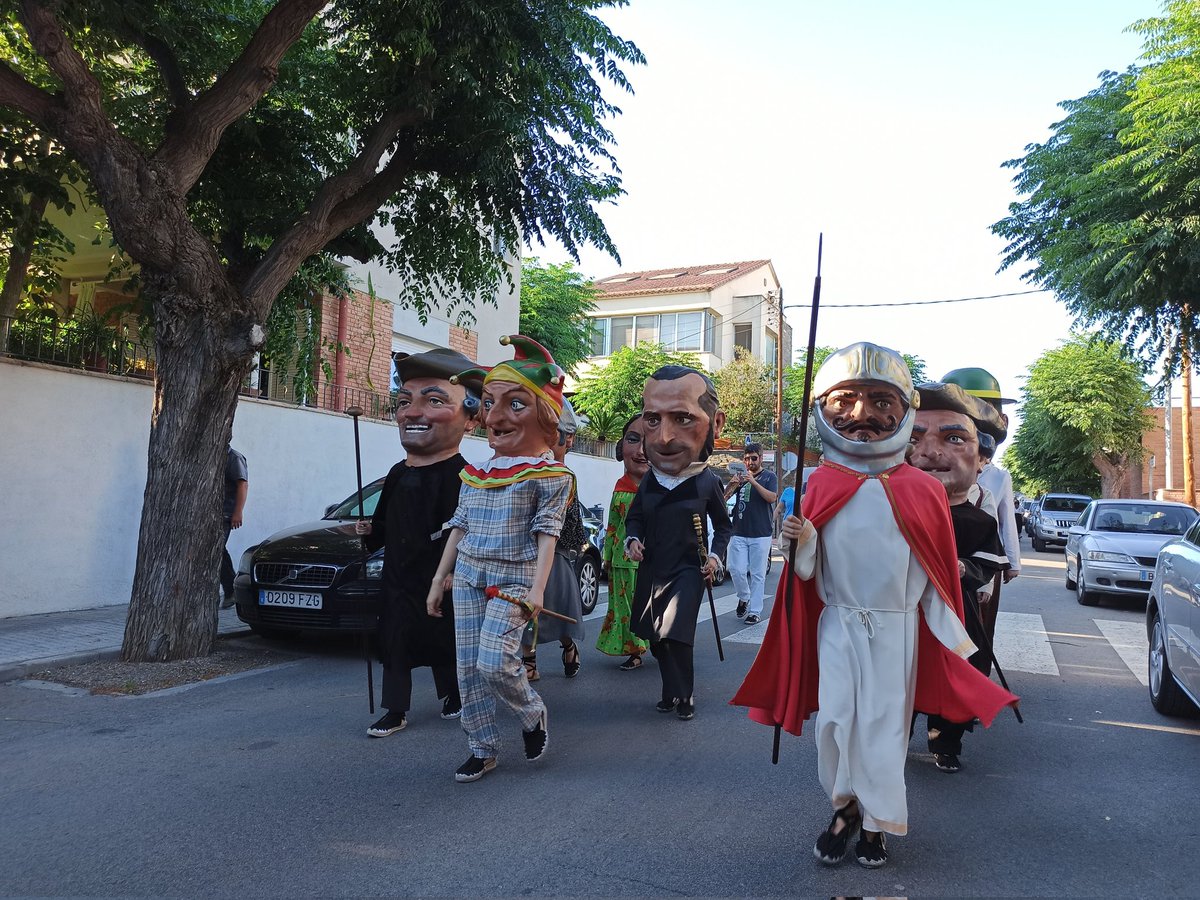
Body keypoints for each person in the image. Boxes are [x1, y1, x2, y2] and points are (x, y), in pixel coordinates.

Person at [732, 342, 1018, 870]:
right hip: (838, 626)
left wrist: (953, 640)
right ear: (823, 408)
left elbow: (933, 573)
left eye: (880, 401)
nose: (862, 414)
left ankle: (874, 824)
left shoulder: (923, 491)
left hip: (896, 633)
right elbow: (807, 575)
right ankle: (844, 806)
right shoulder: (819, 483)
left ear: (902, 408)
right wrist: (800, 539)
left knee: (884, 731)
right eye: (845, 400)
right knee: (836, 723)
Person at [427, 335, 574, 783]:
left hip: (513, 581)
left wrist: (537, 590)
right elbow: (460, 526)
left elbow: (548, 534)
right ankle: (482, 747)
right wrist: (439, 579)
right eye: (489, 403)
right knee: (468, 668)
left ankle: (531, 713)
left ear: (544, 415)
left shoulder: (551, 475)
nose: (494, 417)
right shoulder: (477, 473)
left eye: (515, 404)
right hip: (469, 575)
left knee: (494, 661)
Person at [359, 347, 481, 738]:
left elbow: (468, 531)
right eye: (404, 402)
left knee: (443, 638)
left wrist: (455, 572)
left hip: (440, 578)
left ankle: (454, 694)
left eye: (434, 401)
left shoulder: (464, 477)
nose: (412, 413)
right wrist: (367, 532)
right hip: (398, 578)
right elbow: (382, 524)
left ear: (471, 419)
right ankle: (394, 709)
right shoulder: (397, 473)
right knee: (395, 640)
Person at [908, 381, 1011, 773]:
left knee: (954, 673)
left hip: (955, 613)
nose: (931, 452)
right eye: (914, 438)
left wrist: (966, 569)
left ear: (980, 459)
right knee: (897, 675)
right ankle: (891, 736)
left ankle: (945, 741)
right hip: (900, 611)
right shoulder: (889, 509)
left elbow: (988, 560)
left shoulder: (978, 518)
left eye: (953, 439)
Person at [625, 366, 733, 721]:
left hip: (688, 570)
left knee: (676, 634)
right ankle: (668, 691)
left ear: (715, 424)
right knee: (656, 638)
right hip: (653, 568)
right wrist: (633, 539)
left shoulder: (706, 482)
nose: (664, 437)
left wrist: (715, 558)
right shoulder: (650, 481)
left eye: (682, 418)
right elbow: (635, 518)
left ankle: (685, 695)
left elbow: (724, 526)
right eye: (652, 420)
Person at [942, 367, 1021, 648]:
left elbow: (1004, 520)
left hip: (981, 561)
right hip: (939, 560)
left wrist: (1011, 562)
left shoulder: (997, 476)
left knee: (979, 630)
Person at [521, 400, 586, 682]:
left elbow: (572, 529)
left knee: (557, 613)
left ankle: (568, 646)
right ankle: (529, 661)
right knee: (526, 610)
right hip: (525, 554)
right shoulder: (523, 470)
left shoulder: (565, 477)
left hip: (554, 552)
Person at [596, 413, 651, 670]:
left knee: (641, 606)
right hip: (620, 560)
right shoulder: (620, 486)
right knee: (622, 607)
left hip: (647, 560)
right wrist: (607, 557)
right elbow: (612, 525)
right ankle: (634, 649)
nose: (641, 451)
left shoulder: (658, 489)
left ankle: (642, 646)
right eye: (633, 440)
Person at [724, 442, 778, 625]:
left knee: (757, 574)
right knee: (735, 569)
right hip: (738, 531)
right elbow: (723, 498)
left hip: (761, 533)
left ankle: (755, 611)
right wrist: (732, 485)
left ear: (761, 458)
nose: (750, 462)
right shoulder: (740, 478)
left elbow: (772, 497)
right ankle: (744, 596)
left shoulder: (769, 476)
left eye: (754, 458)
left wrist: (753, 481)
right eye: (746, 459)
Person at [219, 444, 248, 609]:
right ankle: (231, 590)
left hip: (225, 513)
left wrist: (237, 512)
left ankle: (231, 590)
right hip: (212, 513)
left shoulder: (234, 458)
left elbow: (242, 484)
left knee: (217, 549)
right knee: (218, 550)